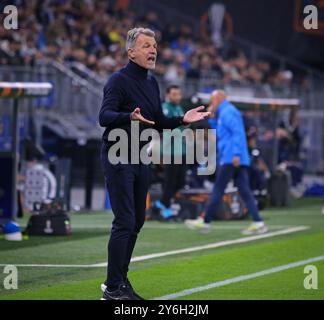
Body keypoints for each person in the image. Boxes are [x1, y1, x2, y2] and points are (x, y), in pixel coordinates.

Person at [99, 27, 210, 300]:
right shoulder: (117, 80)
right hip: (118, 154)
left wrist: (183, 120)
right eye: (146, 46)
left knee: (136, 221)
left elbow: (159, 122)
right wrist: (129, 117)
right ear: (131, 52)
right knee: (124, 221)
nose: (153, 51)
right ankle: (112, 287)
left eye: (154, 46)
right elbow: (104, 116)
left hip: (140, 156)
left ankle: (119, 282)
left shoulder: (151, 83)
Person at [185, 90, 268, 235]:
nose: (211, 104)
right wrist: (211, 118)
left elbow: (238, 133)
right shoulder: (225, 112)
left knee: (218, 189)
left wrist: (236, 154)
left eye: (212, 101)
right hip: (234, 157)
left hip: (231, 157)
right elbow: (221, 132)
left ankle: (205, 221)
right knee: (244, 190)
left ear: (218, 99)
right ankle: (258, 222)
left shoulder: (228, 112)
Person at [154, 85, 187, 218]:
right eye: (174, 94)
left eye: (178, 94)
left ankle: (162, 203)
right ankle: (166, 207)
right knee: (169, 181)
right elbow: (167, 128)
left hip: (182, 150)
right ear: (168, 95)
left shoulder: (179, 108)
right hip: (170, 151)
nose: (177, 97)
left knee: (180, 182)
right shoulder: (165, 109)